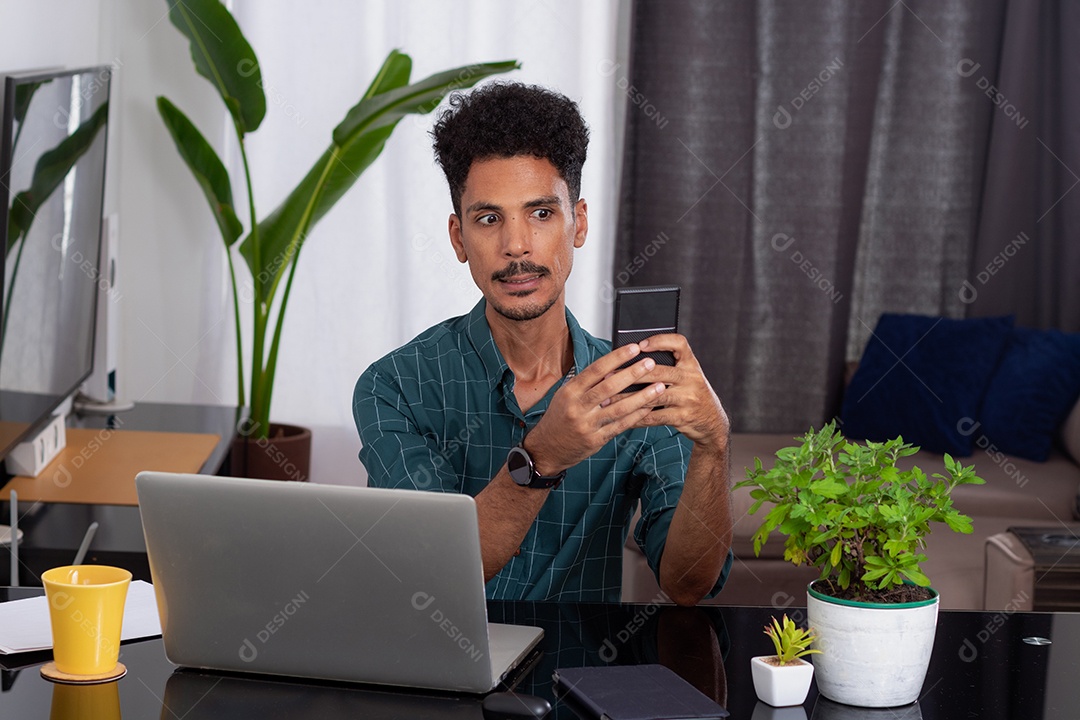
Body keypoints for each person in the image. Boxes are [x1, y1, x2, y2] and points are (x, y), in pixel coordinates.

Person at [353, 82, 733, 605]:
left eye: (541, 213)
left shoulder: (635, 384)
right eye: (489, 219)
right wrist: (542, 457)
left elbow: (688, 585)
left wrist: (714, 445)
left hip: (580, 679)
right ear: (459, 238)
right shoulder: (394, 386)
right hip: (444, 678)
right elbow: (431, 575)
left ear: (577, 223)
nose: (516, 246)